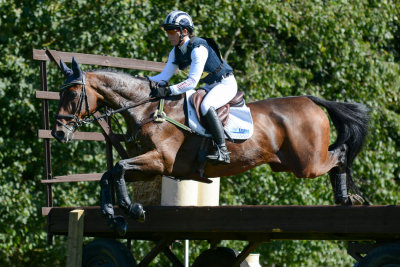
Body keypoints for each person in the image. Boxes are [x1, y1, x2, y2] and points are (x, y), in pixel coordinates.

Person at [149, 10, 237, 164]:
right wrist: (142, 81)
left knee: (206, 105)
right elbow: (163, 77)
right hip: (210, 85)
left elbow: (192, 82)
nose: (168, 35)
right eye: (167, 31)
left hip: (226, 84)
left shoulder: (198, 48)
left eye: (171, 31)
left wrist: (170, 90)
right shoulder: (175, 52)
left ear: (184, 31)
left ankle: (223, 151)